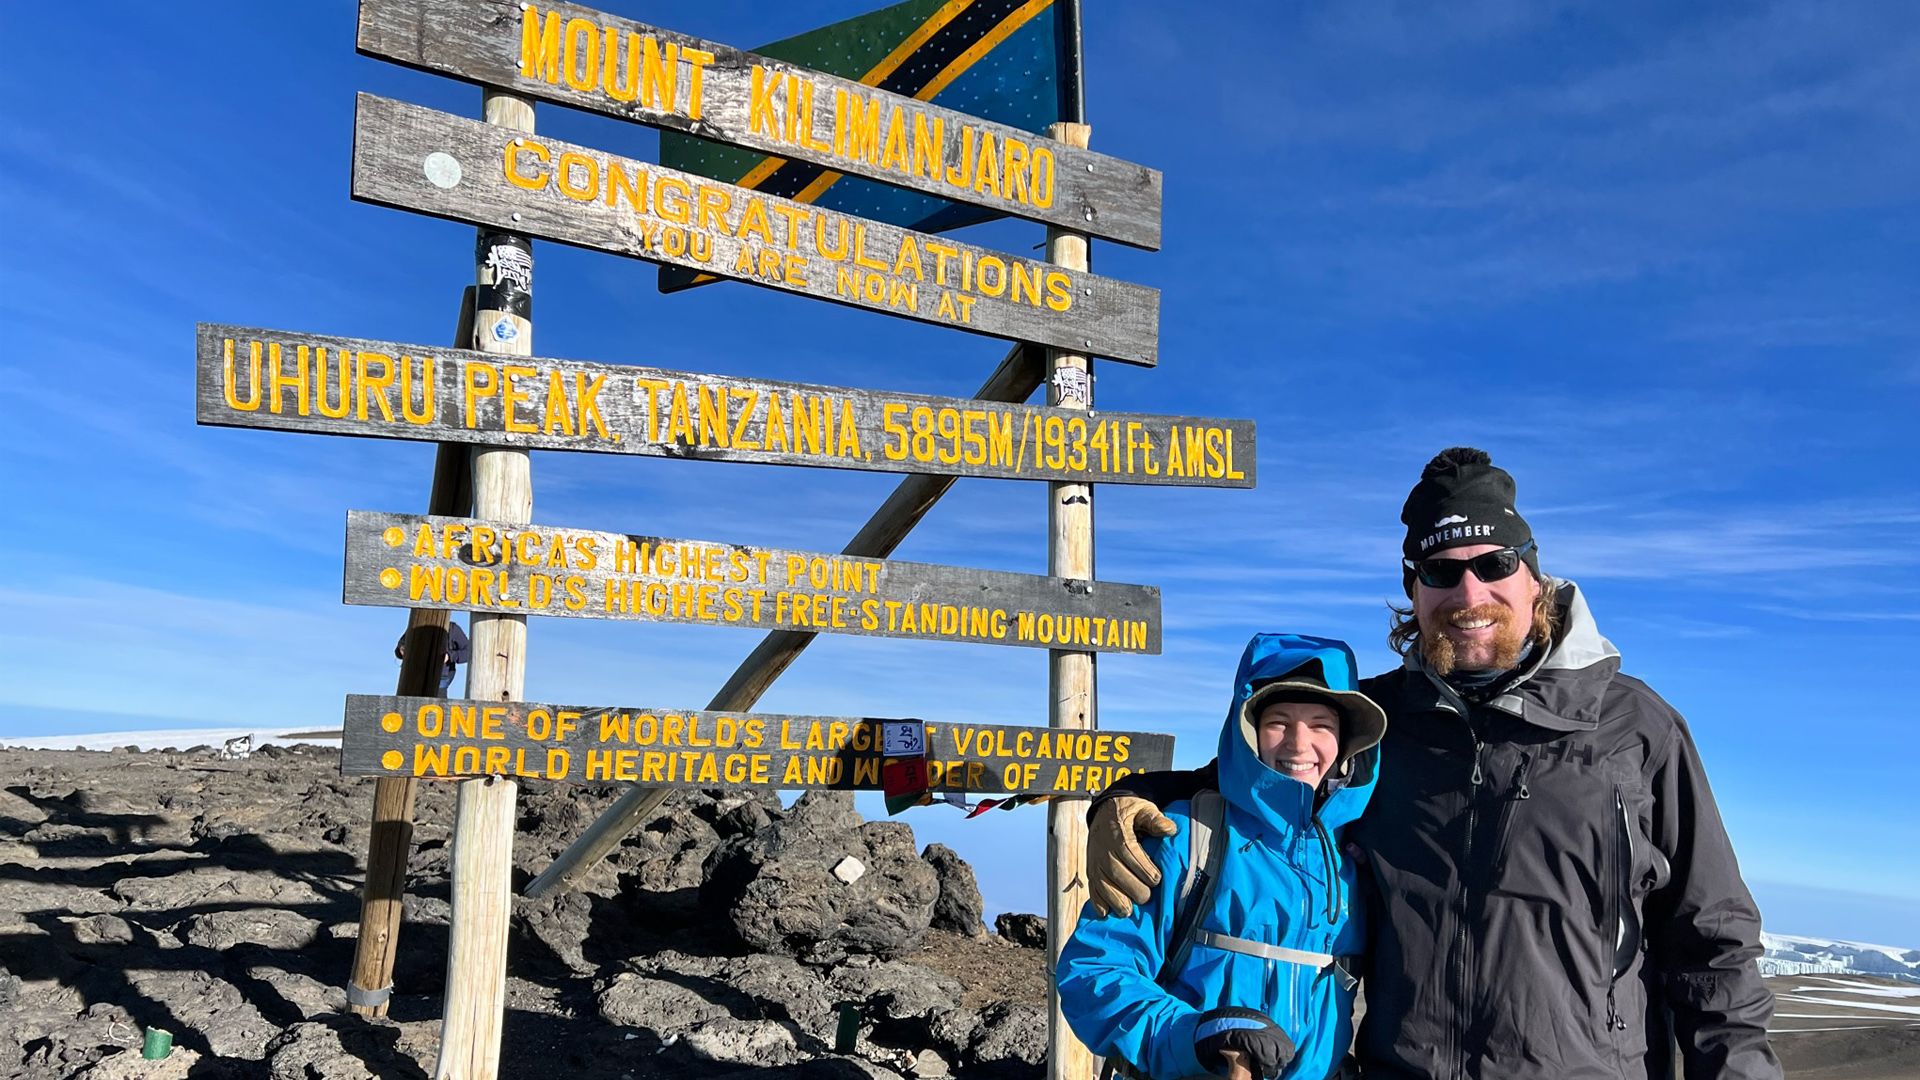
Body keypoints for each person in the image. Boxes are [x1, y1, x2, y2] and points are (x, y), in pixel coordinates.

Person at [1084, 448, 1780, 1080]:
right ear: (1413, 593)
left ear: (1534, 575)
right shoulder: (1376, 724)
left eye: (1494, 564)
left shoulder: (1634, 728)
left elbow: (1711, 943)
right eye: (1441, 572)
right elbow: (1262, 785)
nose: (1470, 593)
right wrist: (1123, 797)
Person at [1058, 633, 1387, 1080]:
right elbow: (1093, 970)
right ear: (1246, 728)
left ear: (1347, 741)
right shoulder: (1185, 835)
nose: (1298, 743)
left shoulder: (1358, 855)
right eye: (1279, 721)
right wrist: (1194, 1037)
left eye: (1322, 724)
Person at [394, 619, 469, 695]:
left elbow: (469, 652)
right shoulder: (417, 624)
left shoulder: (452, 628)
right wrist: (402, 649)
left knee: (437, 705)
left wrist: (450, 656)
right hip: (414, 676)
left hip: (440, 677)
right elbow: (399, 650)